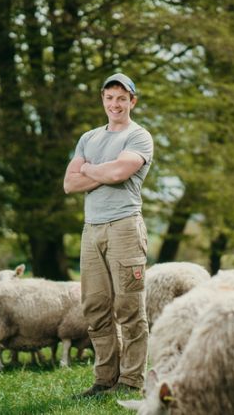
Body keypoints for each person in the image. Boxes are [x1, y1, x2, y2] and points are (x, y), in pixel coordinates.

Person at [63, 73, 154, 397]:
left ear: (132, 101)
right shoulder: (89, 138)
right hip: (92, 230)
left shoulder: (139, 137)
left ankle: (131, 381)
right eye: (109, 97)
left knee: (129, 308)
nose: (114, 104)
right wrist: (100, 171)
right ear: (103, 99)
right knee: (95, 307)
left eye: (121, 98)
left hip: (125, 227)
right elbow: (69, 184)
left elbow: (118, 172)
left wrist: (89, 169)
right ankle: (104, 380)